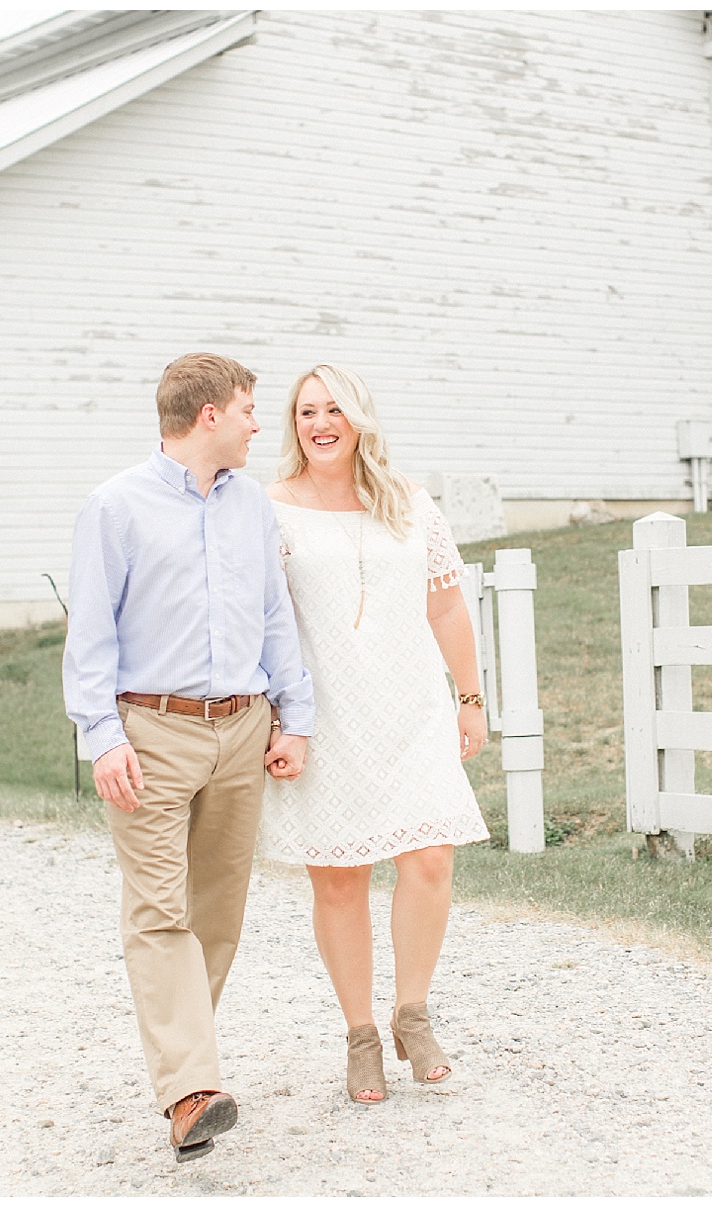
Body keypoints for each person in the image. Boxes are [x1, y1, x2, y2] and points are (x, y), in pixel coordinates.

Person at [63, 353, 314, 1163]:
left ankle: (182, 1067)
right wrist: (101, 735)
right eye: (247, 407)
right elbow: (90, 635)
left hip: (244, 728)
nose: (255, 421)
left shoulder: (251, 506)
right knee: (159, 910)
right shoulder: (115, 507)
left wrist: (294, 717)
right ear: (207, 414)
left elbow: (276, 615)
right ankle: (191, 1089)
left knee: (218, 910)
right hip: (151, 734)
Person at [259, 364, 490, 1105]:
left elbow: (447, 607)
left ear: (360, 416)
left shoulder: (409, 504)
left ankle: (412, 1014)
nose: (320, 422)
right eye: (305, 412)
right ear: (293, 425)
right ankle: (360, 1034)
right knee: (339, 876)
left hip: (410, 709)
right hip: (322, 717)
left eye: (333, 409)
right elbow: (259, 618)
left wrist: (471, 697)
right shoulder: (270, 509)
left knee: (428, 858)